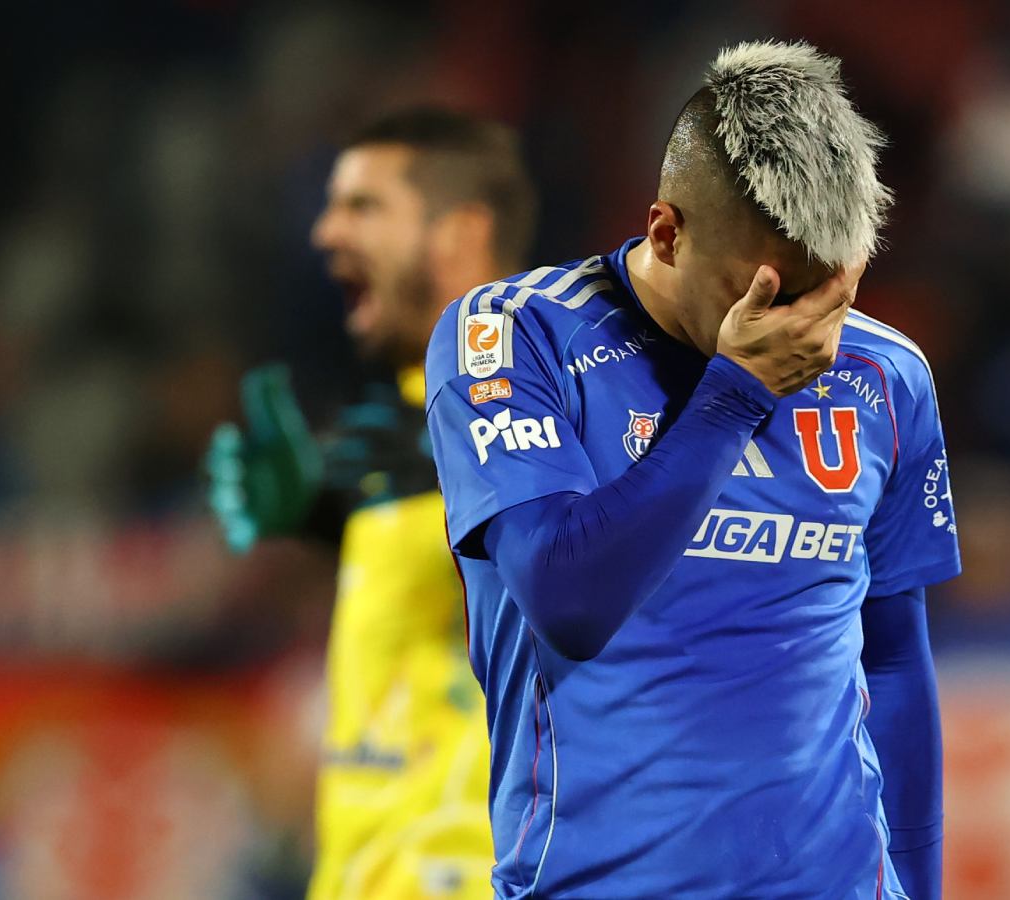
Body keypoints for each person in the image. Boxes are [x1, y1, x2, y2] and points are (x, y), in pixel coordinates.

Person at [425, 42, 960, 899]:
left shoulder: (887, 377)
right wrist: (732, 398)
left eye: (826, 293)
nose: (800, 333)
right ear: (667, 232)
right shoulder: (515, 337)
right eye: (761, 295)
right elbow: (568, 598)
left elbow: (893, 658)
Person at [205, 108, 537, 900]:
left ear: (458, 234)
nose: (326, 232)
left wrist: (487, 480)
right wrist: (323, 515)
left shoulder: (543, 395)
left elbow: (606, 585)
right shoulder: (413, 420)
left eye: (364, 207)